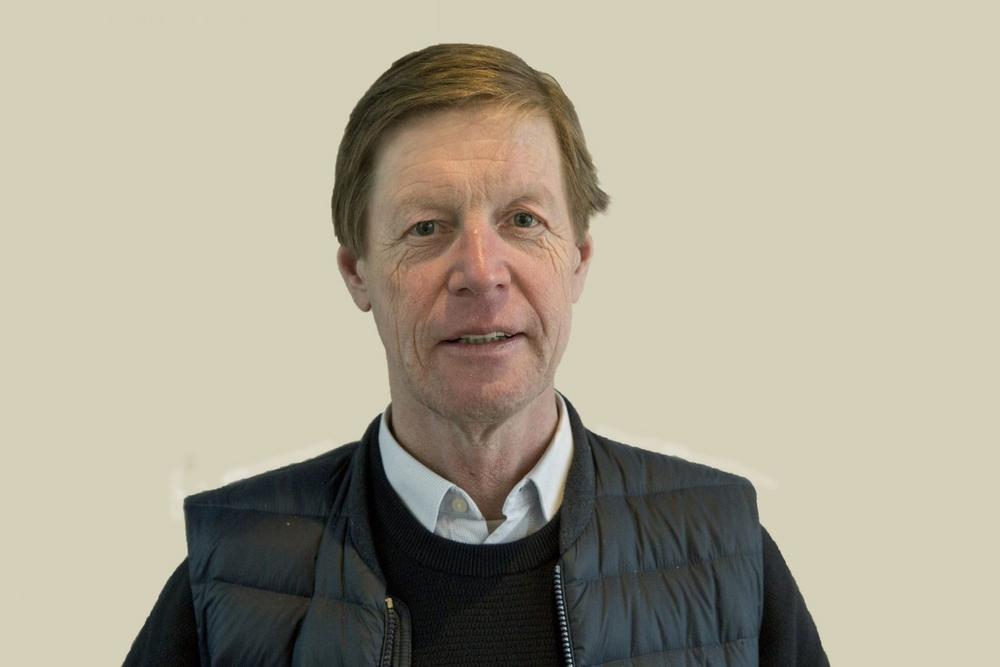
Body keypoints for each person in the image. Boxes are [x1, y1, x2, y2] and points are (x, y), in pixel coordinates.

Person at [126, 43, 828, 666]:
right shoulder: (230, 578)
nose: (482, 272)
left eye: (523, 219)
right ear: (356, 272)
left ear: (579, 259)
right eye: (426, 227)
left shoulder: (726, 557)